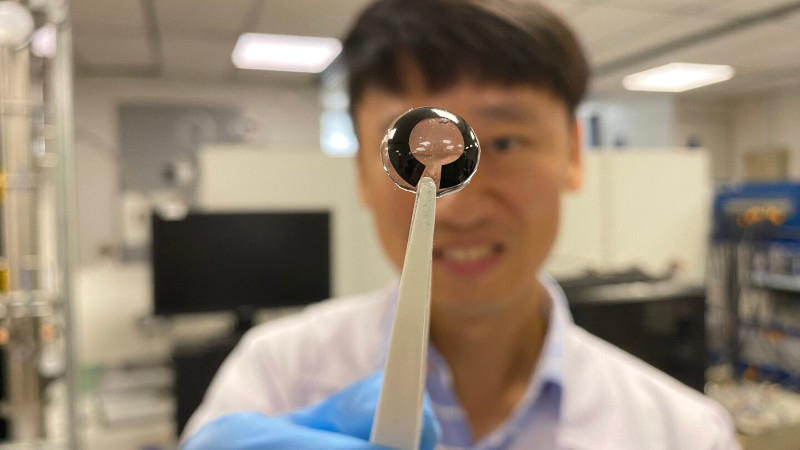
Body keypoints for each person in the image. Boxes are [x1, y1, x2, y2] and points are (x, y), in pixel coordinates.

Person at [182, 0, 739, 448]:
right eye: (406, 157)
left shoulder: (685, 435)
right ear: (361, 172)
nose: (455, 209)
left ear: (573, 154)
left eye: (505, 142)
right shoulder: (274, 378)